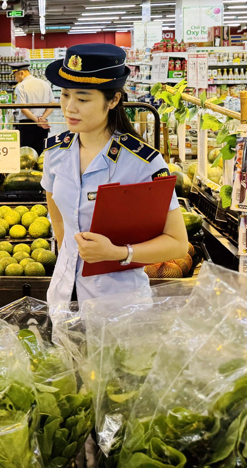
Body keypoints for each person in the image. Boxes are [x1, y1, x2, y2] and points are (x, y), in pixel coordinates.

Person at [41, 44, 188, 306]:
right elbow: (60, 225)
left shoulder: (144, 163)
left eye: (83, 99)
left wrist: (118, 253)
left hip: (119, 303)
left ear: (114, 100)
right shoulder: (55, 152)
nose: (69, 108)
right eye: (64, 95)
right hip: (63, 296)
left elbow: (177, 243)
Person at [12, 62, 54, 153]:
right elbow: (52, 104)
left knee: (26, 155)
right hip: (42, 125)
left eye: (15, 76)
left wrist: (36, 120)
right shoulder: (45, 84)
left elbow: (23, 108)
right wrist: (42, 118)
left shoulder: (20, 87)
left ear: (21, 73)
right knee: (41, 154)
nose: (15, 79)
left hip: (26, 126)